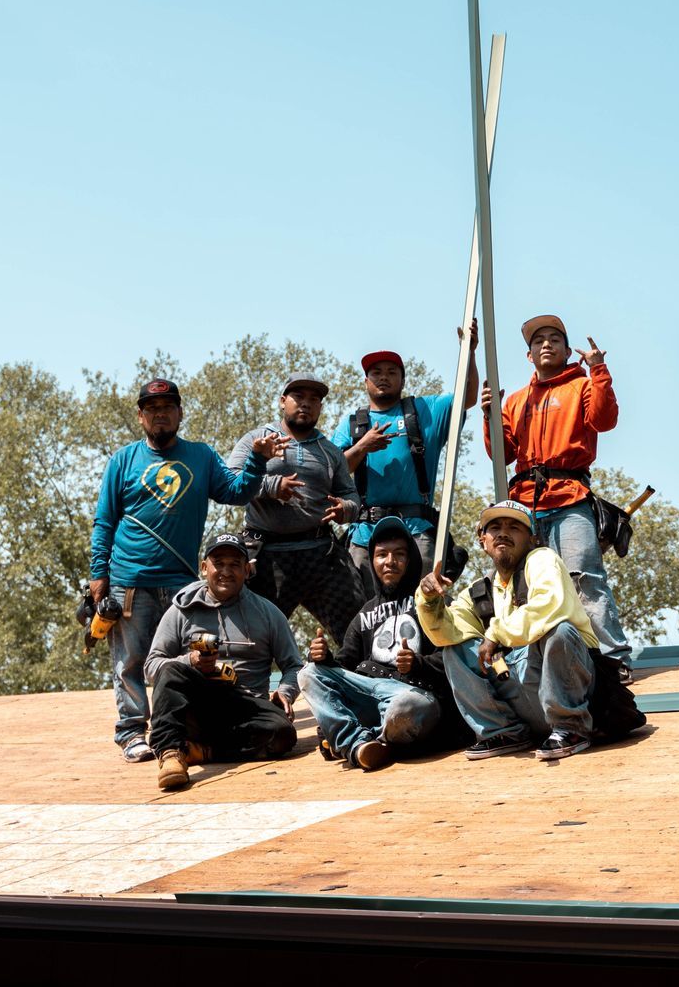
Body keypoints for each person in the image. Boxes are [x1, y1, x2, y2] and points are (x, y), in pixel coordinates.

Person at [89, 378, 287, 762]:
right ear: (141, 416)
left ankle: (178, 732)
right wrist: (100, 575)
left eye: (167, 408)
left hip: (183, 584)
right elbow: (104, 521)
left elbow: (236, 492)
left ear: (180, 413)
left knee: (184, 662)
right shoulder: (123, 461)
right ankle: (131, 732)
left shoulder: (200, 456)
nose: (159, 415)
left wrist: (258, 459)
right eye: (151, 409)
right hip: (131, 579)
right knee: (130, 661)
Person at [480, 314, 632, 679]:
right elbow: (502, 453)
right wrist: (489, 415)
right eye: (538, 341)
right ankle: (535, 665)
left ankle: (613, 660)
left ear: (567, 350)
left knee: (585, 579)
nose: (546, 344)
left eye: (554, 339)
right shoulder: (516, 400)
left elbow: (605, 419)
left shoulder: (581, 385)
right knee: (522, 587)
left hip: (569, 497)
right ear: (529, 355)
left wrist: (598, 370)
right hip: (525, 506)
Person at [415, 501, 596, 762]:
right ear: (482, 540)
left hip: (575, 694)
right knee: (455, 647)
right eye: (495, 527)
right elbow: (445, 632)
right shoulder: (479, 592)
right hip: (521, 697)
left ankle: (571, 728)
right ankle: (505, 732)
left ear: (532, 538)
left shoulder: (542, 559)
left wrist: (495, 633)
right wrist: (428, 598)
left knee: (561, 631)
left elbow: (550, 605)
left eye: (514, 527)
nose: (503, 533)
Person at [143, 534, 305, 791]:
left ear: (248, 570)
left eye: (235, 564)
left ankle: (201, 752)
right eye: (219, 563)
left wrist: (285, 692)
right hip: (194, 709)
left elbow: (295, 666)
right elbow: (152, 666)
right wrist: (191, 661)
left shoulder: (268, 613)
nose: (226, 572)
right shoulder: (180, 610)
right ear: (204, 567)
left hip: (245, 708)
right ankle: (171, 753)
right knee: (171, 668)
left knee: (283, 734)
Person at [299, 516, 452, 771]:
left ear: (411, 559)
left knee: (404, 708)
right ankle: (360, 745)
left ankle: (356, 738)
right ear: (372, 561)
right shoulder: (364, 614)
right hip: (370, 693)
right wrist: (324, 658)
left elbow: (451, 659)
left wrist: (418, 663)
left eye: (399, 554)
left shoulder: (429, 601)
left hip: (415, 695)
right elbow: (344, 664)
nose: (390, 562)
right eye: (382, 555)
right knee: (308, 674)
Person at [225, 372, 365, 639]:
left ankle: (360, 679)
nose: (306, 403)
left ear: (320, 407)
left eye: (314, 399)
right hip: (267, 553)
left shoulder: (329, 450)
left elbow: (351, 494)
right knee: (252, 638)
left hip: (321, 552)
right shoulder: (256, 439)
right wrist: (270, 486)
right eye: (298, 396)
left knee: (357, 629)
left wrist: (345, 509)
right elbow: (231, 481)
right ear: (282, 401)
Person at [330, 322, 478, 574]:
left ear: (403, 379)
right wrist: (362, 446)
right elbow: (332, 472)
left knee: (421, 607)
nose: (384, 377)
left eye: (391, 372)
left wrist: (469, 351)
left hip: (416, 532)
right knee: (366, 610)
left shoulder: (425, 411)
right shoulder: (353, 424)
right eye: (376, 372)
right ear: (366, 381)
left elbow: (468, 397)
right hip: (366, 536)